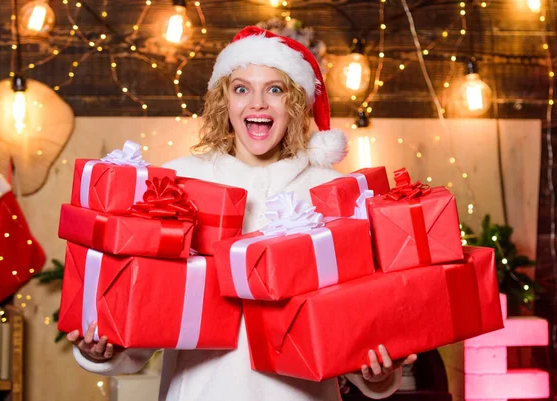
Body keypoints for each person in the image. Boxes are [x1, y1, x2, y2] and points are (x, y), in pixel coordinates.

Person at [66, 26, 417, 400]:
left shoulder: (334, 193)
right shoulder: (174, 183)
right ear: (224, 100)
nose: (258, 103)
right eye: (241, 88)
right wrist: (104, 350)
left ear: (295, 103)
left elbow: (352, 325)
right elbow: (147, 309)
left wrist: (378, 375)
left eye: (275, 89)